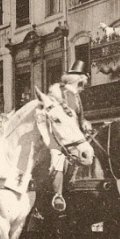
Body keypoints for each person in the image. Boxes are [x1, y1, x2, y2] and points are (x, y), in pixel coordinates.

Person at [48, 61, 93, 212]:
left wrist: (85, 122)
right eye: (84, 80)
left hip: (75, 136)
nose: (85, 83)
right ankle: (58, 195)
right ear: (79, 80)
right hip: (60, 138)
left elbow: (78, 119)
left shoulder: (75, 95)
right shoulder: (61, 93)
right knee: (58, 158)